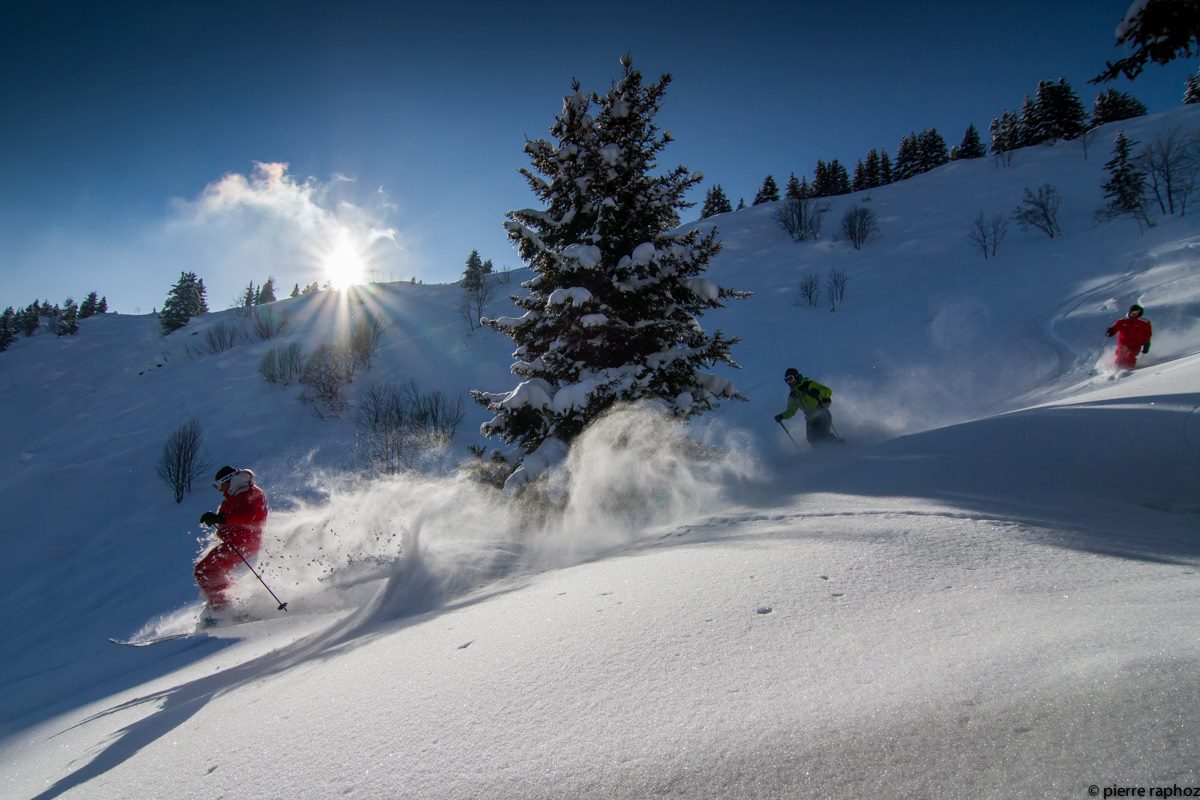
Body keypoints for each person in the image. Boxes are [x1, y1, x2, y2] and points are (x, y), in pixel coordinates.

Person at [195, 465, 268, 622]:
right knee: (209, 570)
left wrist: (219, 519)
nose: (219, 490)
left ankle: (224, 609)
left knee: (207, 570)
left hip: (244, 544)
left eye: (219, 485)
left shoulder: (252, 493)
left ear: (230, 481)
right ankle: (229, 604)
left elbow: (247, 515)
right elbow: (229, 517)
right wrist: (217, 522)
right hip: (237, 542)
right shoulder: (235, 496)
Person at [774, 367, 839, 447]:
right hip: (810, 419)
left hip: (822, 413)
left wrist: (818, 392)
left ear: (796, 376)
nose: (788, 382)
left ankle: (838, 446)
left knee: (824, 434)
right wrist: (782, 416)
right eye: (786, 380)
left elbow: (828, 391)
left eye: (790, 378)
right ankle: (822, 455)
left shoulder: (808, 384)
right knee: (812, 439)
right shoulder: (793, 395)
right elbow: (791, 411)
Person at [1105, 304, 1152, 370]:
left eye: (1137, 313)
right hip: (1123, 344)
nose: (1134, 314)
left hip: (1135, 345)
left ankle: (1129, 369)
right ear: (1130, 312)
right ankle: (1117, 369)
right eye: (1133, 312)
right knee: (1121, 353)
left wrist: (1146, 343)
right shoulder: (1122, 321)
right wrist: (1110, 331)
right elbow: (1114, 329)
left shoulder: (1144, 322)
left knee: (1130, 354)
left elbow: (1148, 334)